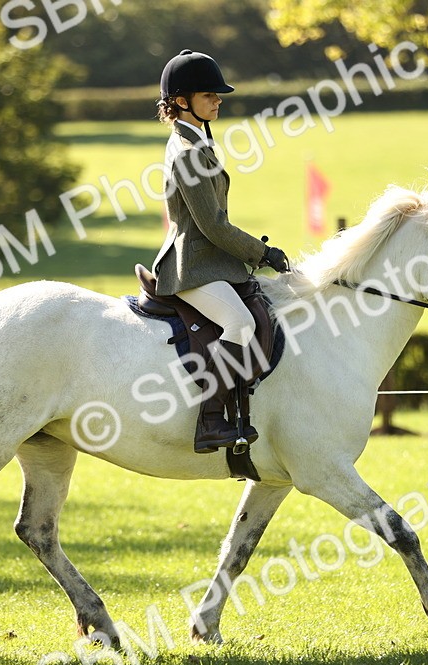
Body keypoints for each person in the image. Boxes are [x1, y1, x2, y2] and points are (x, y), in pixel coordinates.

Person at [151, 49, 290, 454]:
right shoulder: (189, 152)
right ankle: (210, 421)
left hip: (208, 261)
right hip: (192, 265)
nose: (218, 100)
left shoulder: (196, 141)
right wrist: (261, 254)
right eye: (208, 94)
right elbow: (212, 225)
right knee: (240, 324)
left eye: (217, 95)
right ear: (180, 101)